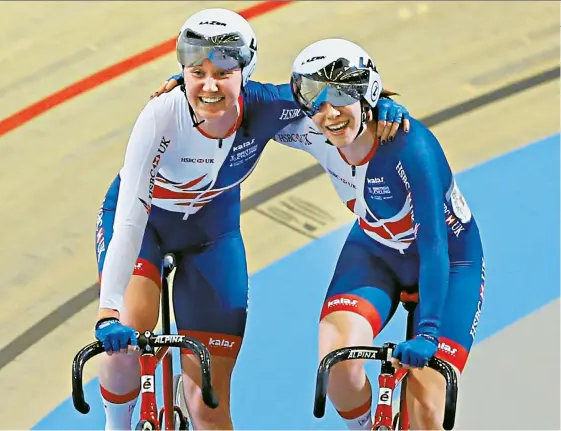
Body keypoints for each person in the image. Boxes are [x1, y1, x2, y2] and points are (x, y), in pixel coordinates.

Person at [93, 8, 411, 431]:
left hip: (212, 234)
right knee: (128, 336)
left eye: (223, 72)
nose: (209, 85)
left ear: (246, 71)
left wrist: (378, 104)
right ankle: (116, 423)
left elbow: (333, 98)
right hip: (146, 226)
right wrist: (107, 312)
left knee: (208, 402)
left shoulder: (268, 107)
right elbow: (132, 220)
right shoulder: (161, 116)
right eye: (197, 72)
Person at [278, 39, 485, 430]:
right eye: (317, 103)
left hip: (449, 261)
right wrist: (194, 87)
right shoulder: (312, 125)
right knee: (338, 365)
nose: (330, 114)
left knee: (426, 408)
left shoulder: (412, 147)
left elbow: (434, 245)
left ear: (367, 93)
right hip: (377, 252)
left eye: (341, 97)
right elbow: (249, 100)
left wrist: (427, 334)